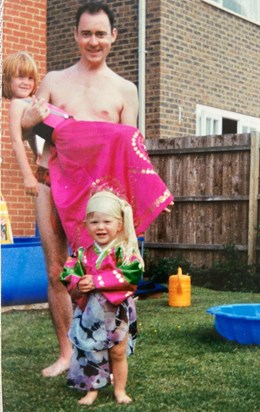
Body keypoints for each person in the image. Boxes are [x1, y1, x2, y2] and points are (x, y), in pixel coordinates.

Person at [21, 1, 173, 378]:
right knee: (58, 268)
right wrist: (28, 120)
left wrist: (152, 191)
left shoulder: (125, 89)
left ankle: (104, 351)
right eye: (86, 33)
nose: (93, 41)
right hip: (51, 182)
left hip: (103, 197)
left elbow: (130, 150)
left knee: (108, 269)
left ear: (113, 37)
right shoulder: (54, 80)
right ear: (75, 35)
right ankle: (65, 352)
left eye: (100, 34)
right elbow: (30, 134)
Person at [60, 190, 143, 405]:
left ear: (119, 224)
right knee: (91, 350)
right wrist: (79, 282)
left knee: (117, 351)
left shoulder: (125, 252)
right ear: (87, 225)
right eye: (94, 221)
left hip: (117, 311)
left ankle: (120, 390)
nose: (101, 227)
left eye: (107, 221)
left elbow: (131, 275)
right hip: (91, 311)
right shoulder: (82, 253)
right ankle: (92, 390)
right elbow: (68, 272)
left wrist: (97, 281)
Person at [2, 51, 43, 196]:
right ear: (7, 80)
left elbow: (33, 131)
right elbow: (16, 140)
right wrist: (27, 175)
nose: (26, 82)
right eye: (20, 77)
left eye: (30, 78)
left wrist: (36, 151)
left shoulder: (32, 99)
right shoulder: (16, 104)